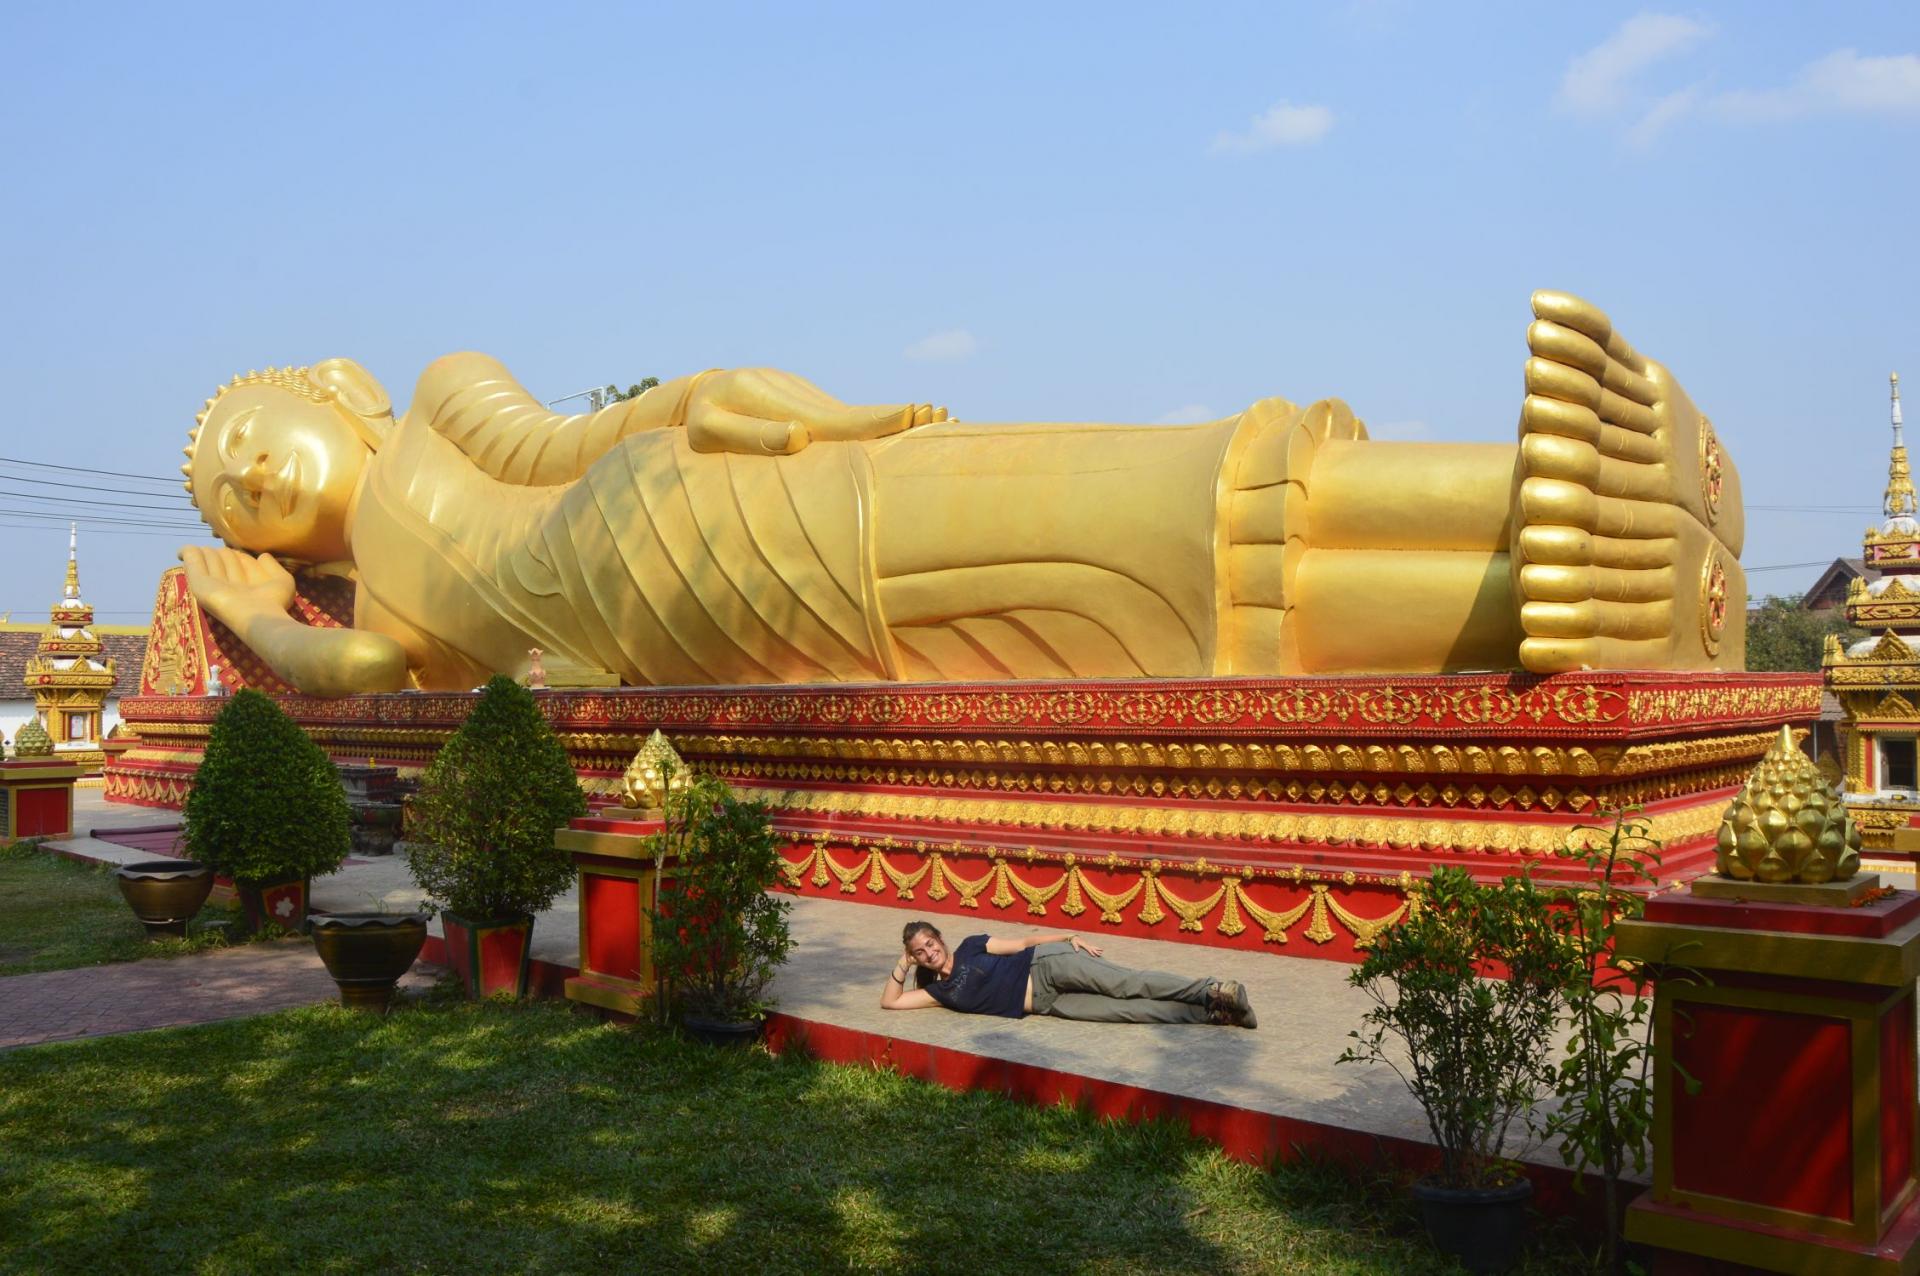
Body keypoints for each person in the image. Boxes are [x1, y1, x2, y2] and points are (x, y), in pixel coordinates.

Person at [176, 291, 1744, 695]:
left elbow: (578, 435)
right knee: (1095, 607)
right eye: (233, 498)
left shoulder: (442, 404)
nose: (252, 477)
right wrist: (265, 631)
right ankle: (1543, 615)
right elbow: (374, 672)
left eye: (252, 433)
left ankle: (1535, 486)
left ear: (335, 396)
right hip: (689, 641)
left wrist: (769, 404)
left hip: (697, 501)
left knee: (1121, 491)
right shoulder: (365, 617)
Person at [879, 919, 1257, 1027]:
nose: (929, 952)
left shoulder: (972, 945)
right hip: (1048, 1003)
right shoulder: (938, 993)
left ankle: (1214, 989)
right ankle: (1216, 1014)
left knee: (1127, 984)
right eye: (919, 952)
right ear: (914, 957)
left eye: (931, 943)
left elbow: (1024, 942)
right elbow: (891, 1003)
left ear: (940, 939)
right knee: (1128, 1011)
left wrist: (1068, 936)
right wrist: (901, 963)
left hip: (1048, 965)